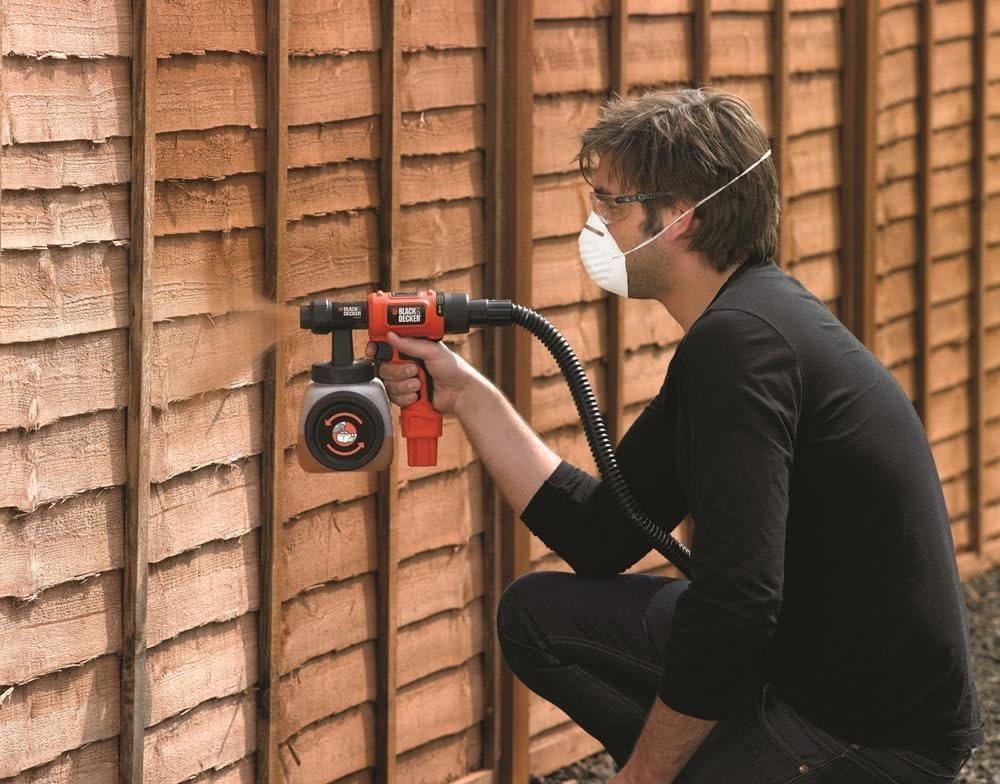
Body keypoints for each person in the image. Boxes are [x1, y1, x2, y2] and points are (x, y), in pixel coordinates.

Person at [366, 89, 983, 783]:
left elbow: (738, 602)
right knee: (536, 616)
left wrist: (646, 774)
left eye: (613, 204)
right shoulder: (740, 326)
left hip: (866, 731)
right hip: (803, 668)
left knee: (676, 724)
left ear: (682, 217)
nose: (595, 223)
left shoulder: (743, 345)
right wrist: (466, 394)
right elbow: (603, 534)